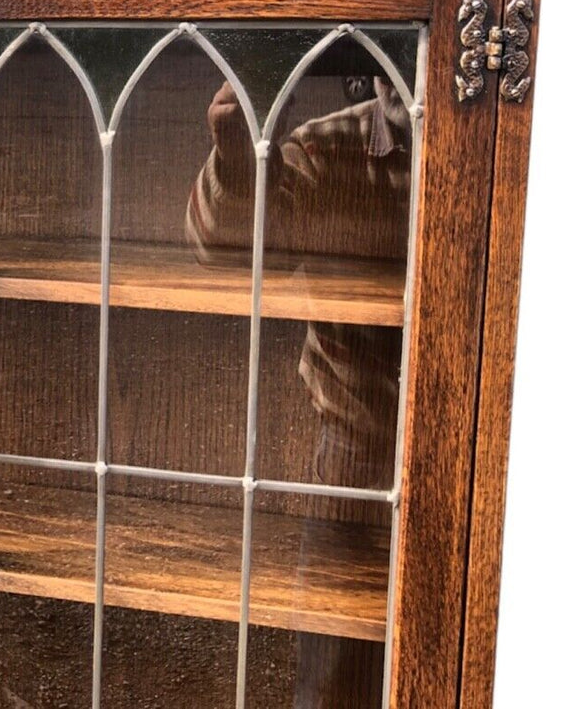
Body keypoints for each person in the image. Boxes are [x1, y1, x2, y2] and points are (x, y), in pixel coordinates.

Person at [186, 76, 412, 707]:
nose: (405, 76)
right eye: (390, 58)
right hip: (352, 458)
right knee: (332, 681)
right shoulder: (326, 146)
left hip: (472, 451)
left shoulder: (487, 141)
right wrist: (238, 157)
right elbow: (220, 251)